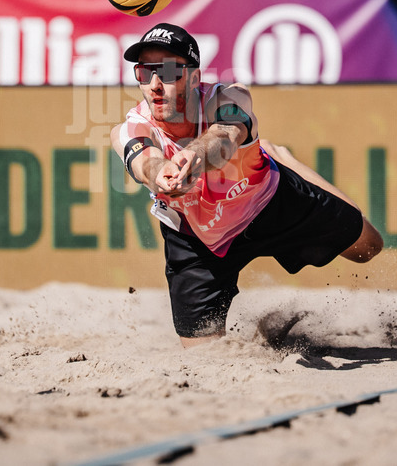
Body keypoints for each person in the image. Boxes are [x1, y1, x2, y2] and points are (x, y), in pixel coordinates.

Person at [110, 22, 383, 346]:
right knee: (203, 354)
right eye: (145, 72)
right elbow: (145, 161)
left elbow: (226, 133)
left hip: (269, 202)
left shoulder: (227, 97)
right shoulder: (130, 128)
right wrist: (159, 173)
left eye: (169, 71)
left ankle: (278, 157)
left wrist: (196, 155)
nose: (155, 84)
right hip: (198, 238)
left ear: (195, 77)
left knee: (369, 248)